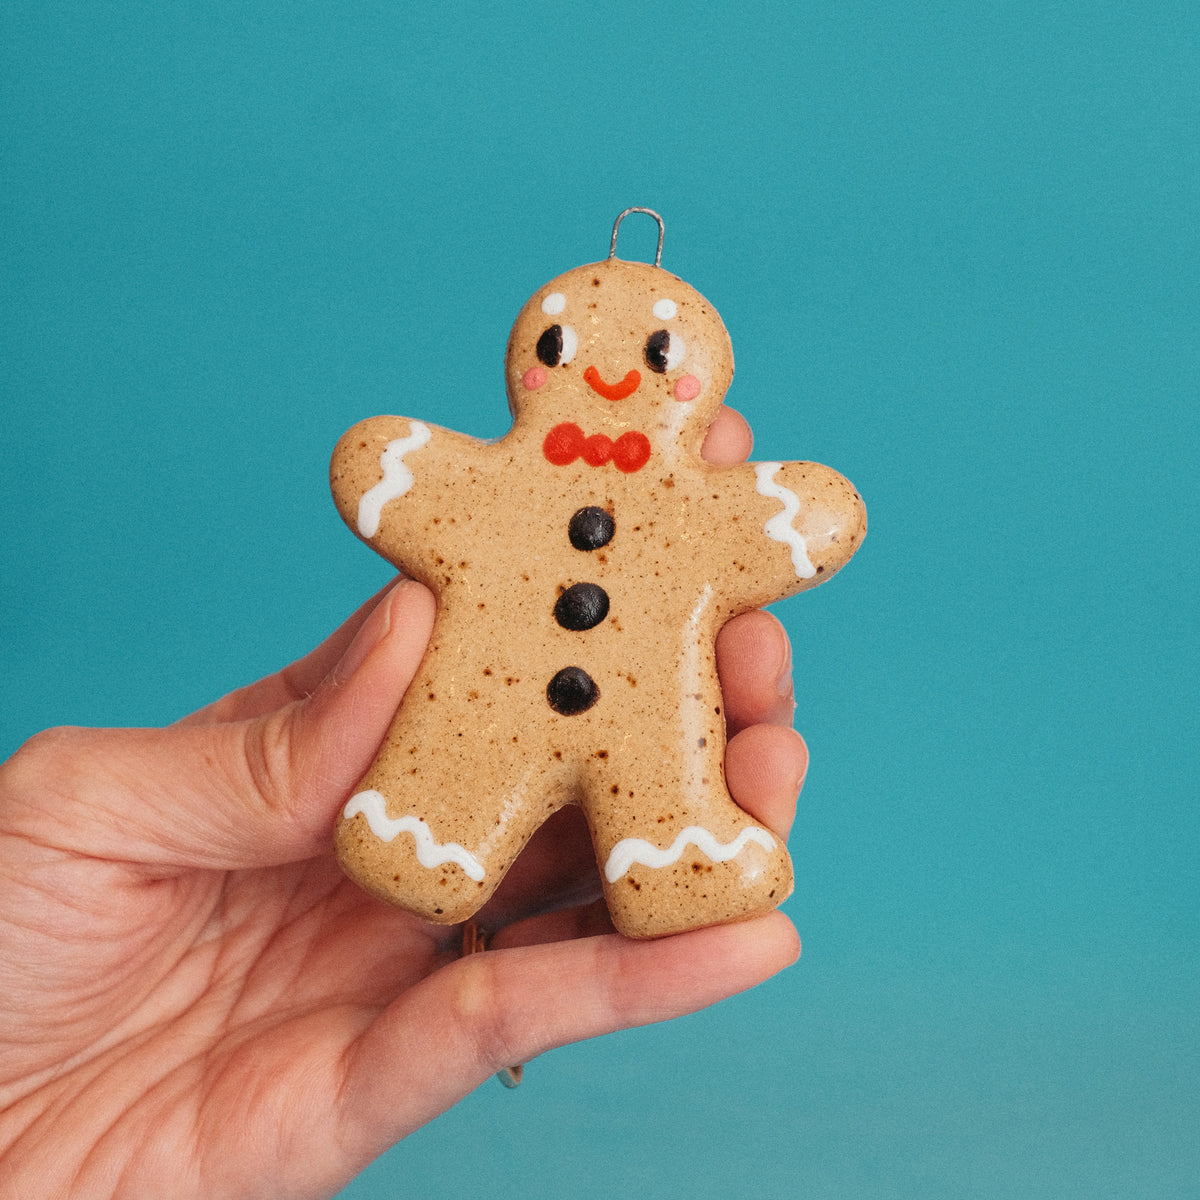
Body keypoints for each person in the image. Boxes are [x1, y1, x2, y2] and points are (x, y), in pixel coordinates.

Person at [0, 408, 808, 1198]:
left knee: (673, 780)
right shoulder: (501, 484)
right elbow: (397, 473)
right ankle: (424, 835)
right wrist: (394, 462)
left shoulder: (693, 504)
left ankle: (675, 856)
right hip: (480, 708)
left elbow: (783, 519)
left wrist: (794, 510)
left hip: (653, 720)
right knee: (447, 778)